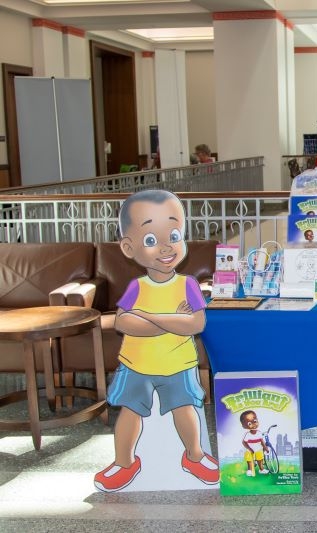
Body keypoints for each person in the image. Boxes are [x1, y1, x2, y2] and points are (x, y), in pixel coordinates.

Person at [94, 190, 218, 492]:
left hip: (179, 363)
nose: (166, 247)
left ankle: (195, 455)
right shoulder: (137, 286)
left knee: (185, 409)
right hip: (136, 365)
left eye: (174, 235)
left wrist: (149, 317)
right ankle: (124, 462)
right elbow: (123, 322)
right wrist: (172, 320)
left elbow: (196, 323)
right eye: (151, 240)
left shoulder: (188, 284)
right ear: (129, 246)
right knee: (130, 412)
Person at [240, 410, 268, 477]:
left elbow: (262, 441)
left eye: (255, 421)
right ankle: (249, 470)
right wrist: (249, 449)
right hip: (249, 449)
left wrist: (265, 447)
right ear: (244, 426)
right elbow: (244, 442)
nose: (253, 424)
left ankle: (261, 469)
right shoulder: (247, 434)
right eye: (249, 423)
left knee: (260, 459)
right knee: (249, 459)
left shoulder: (259, 433)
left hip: (258, 448)